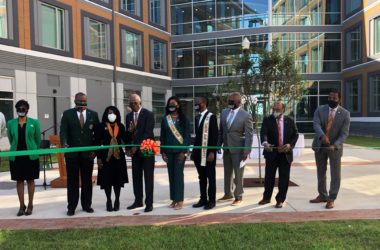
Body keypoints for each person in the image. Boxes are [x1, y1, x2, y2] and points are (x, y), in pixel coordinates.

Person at [60, 92, 100, 216]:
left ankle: (87, 205)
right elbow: (63, 132)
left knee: (87, 180)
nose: (82, 104)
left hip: (88, 155)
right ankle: (71, 207)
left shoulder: (93, 114)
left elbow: (97, 135)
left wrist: (95, 150)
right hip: (72, 155)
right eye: (80, 102)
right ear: (75, 101)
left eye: (84, 102)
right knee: (72, 181)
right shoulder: (67, 114)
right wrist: (65, 144)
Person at [310, 89, 350, 209]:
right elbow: (316, 124)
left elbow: (344, 133)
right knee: (320, 172)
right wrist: (322, 136)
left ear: (339, 99)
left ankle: (331, 198)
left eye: (334, 98)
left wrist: (336, 144)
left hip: (335, 149)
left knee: (335, 174)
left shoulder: (345, 114)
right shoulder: (320, 109)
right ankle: (322, 195)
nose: (331, 100)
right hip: (320, 145)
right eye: (330, 97)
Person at [258, 102, 299, 208]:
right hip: (271, 153)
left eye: (278, 110)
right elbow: (263, 133)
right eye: (274, 109)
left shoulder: (289, 120)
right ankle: (266, 198)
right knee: (269, 177)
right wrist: (265, 143)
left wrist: (290, 145)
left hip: (285, 154)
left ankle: (280, 200)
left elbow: (295, 134)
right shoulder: (267, 119)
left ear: (283, 110)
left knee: (284, 178)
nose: (275, 111)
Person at [217, 92, 253, 206]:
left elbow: (249, 135)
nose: (230, 103)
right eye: (229, 101)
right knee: (227, 173)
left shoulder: (245, 115)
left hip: (239, 149)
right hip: (226, 147)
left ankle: (238, 196)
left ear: (238, 102)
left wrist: (246, 151)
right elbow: (221, 131)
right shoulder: (224, 112)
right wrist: (219, 145)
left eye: (232, 101)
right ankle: (228, 193)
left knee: (238, 174)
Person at [7, 100, 40, 216]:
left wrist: (33, 148)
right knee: (19, 181)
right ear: (16, 110)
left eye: (23, 109)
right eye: (19, 109)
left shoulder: (34, 123)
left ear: (27, 110)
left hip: (30, 156)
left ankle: (30, 205)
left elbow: (38, 140)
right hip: (16, 156)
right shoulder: (10, 123)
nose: (21, 111)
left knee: (30, 180)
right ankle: (22, 205)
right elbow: (11, 139)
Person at [94, 106, 128, 212]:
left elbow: (125, 139)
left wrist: (130, 131)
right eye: (109, 113)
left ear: (117, 114)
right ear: (106, 114)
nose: (111, 115)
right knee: (107, 180)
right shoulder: (100, 126)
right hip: (105, 157)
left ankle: (117, 200)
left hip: (118, 157)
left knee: (117, 180)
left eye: (113, 113)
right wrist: (98, 158)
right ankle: (108, 200)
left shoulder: (120, 126)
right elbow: (97, 142)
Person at [125, 94, 155, 213]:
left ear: (139, 102)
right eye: (131, 103)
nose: (132, 105)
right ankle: (138, 200)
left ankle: (149, 203)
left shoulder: (148, 114)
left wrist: (136, 146)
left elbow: (147, 132)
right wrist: (128, 148)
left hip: (147, 147)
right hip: (134, 151)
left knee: (148, 177)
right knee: (136, 176)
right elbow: (128, 134)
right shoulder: (128, 117)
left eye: (135, 103)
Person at [160, 96, 191, 210]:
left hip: (179, 152)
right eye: (170, 104)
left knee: (178, 176)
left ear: (178, 105)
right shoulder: (165, 119)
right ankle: (173, 199)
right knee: (171, 176)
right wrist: (162, 152)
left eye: (173, 104)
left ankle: (180, 201)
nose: (171, 106)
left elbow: (187, 136)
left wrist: (184, 151)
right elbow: (162, 136)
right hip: (168, 152)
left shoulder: (184, 119)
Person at [191, 97, 218, 210]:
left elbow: (214, 135)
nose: (196, 105)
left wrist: (212, 151)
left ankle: (211, 200)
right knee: (201, 177)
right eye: (195, 103)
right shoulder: (197, 118)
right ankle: (203, 199)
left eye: (198, 103)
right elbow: (197, 137)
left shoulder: (211, 117)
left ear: (204, 103)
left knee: (210, 177)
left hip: (208, 154)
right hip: (198, 152)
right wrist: (193, 152)